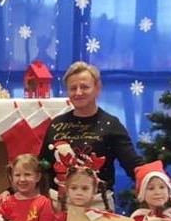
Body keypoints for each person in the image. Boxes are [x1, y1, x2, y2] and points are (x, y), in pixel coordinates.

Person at [38, 61, 141, 206]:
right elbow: (42, 165)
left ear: (97, 88)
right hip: (58, 203)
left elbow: (132, 163)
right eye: (73, 88)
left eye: (84, 87)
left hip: (97, 205)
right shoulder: (56, 123)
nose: (78, 93)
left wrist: (153, 177)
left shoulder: (111, 124)